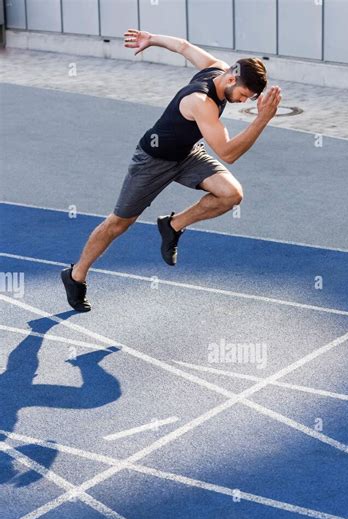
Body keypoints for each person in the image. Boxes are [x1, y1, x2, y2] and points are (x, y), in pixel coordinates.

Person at [61, 28, 281, 312]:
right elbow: (228, 153)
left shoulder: (219, 70)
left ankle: (173, 225)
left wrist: (151, 39)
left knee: (231, 194)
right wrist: (262, 120)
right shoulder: (201, 102)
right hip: (152, 161)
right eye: (242, 94)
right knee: (118, 223)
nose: (241, 101)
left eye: (249, 99)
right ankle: (76, 275)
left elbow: (183, 45)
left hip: (187, 154)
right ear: (232, 77)